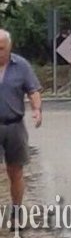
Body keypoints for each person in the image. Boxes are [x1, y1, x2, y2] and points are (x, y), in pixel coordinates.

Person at [0, 29, 42, 225]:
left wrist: (37, 109)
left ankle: (16, 211)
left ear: (9, 47)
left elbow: (33, 90)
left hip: (14, 125)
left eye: (1, 48)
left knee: (15, 171)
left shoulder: (21, 65)